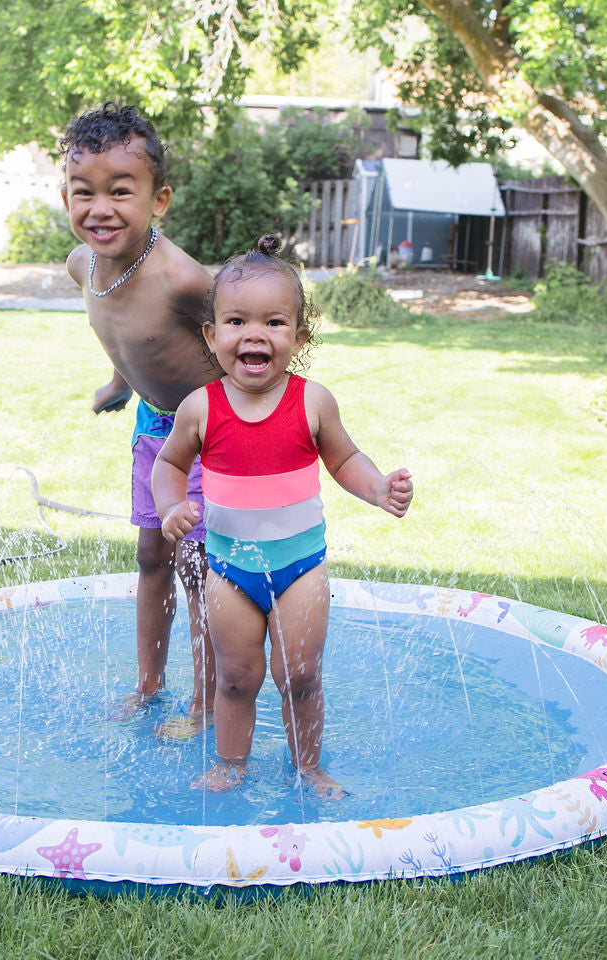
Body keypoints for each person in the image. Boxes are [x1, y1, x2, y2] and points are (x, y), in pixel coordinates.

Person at [152, 234, 413, 799]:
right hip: (229, 571)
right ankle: (231, 763)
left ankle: (309, 767)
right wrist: (171, 506)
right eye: (237, 321)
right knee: (236, 678)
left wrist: (376, 488)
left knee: (300, 676)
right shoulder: (201, 407)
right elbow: (169, 464)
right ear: (211, 335)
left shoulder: (312, 401)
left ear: (298, 336)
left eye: (274, 322)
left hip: (301, 569)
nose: (255, 334)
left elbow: (343, 458)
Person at [61, 103, 220, 735]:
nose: (100, 208)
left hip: (209, 436)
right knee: (152, 556)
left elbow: (244, 336)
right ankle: (149, 685)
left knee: (198, 569)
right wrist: (119, 384)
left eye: (120, 191)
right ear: (66, 198)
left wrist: (265, 420)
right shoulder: (81, 266)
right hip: (155, 428)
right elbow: (126, 334)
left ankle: (206, 702)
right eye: (84, 192)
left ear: (159, 201)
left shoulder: (181, 279)